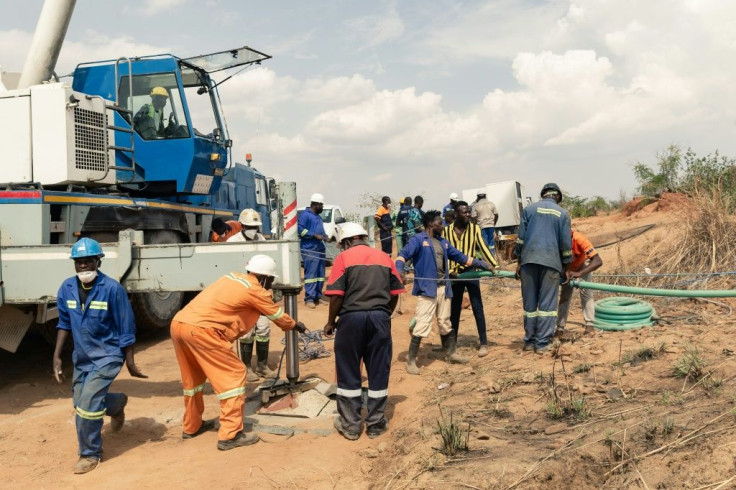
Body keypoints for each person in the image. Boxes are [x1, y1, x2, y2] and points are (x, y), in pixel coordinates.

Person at [170, 255, 307, 450]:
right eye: (271, 280)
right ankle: (230, 435)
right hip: (204, 331)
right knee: (233, 376)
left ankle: (192, 426)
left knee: (193, 380)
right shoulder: (255, 291)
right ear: (265, 278)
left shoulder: (231, 277)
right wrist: (294, 325)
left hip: (180, 324)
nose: (270, 285)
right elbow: (277, 316)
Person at [52, 238, 146, 474]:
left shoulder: (112, 289)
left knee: (86, 406)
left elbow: (126, 328)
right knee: (80, 402)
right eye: (79, 262)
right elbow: (64, 323)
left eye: (88, 261)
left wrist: (131, 362)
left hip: (108, 356)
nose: (83, 266)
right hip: (82, 357)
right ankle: (116, 403)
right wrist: (57, 356)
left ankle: (90, 453)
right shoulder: (66, 288)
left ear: (98, 261)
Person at [324, 223, 404, 440]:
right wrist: (384, 313)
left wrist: (331, 322)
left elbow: (337, 295)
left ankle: (351, 426)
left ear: (347, 241)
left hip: (351, 320)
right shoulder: (384, 257)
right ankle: (376, 424)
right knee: (378, 369)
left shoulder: (343, 258)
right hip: (380, 318)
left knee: (349, 370)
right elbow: (396, 291)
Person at [396, 211, 492, 375]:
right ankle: (411, 361)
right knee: (422, 324)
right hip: (427, 290)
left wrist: (481, 264)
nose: (443, 226)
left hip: (444, 288)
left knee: (445, 322)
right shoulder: (418, 240)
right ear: (431, 224)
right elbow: (402, 256)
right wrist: (399, 271)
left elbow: (460, 257)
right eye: (440, 223)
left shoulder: (443, 242)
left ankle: (451, 353)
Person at [514, 183, 573, 353]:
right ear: (558, 197)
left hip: (528, 262)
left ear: (543, 195)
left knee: (529, 305)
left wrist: (519, 262)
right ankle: (542, 344)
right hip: (551, 263)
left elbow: (520, 240)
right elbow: (565, 245)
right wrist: (566, 267)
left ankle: (529, 341)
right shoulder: (563, 214)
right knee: (547, 305)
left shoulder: (529, 210)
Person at [442, 201, 499, 358]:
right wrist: (449, 270)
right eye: (464, 212)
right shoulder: (446, 232)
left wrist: (493, 265)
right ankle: (451, 345)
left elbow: (483, 247)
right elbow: (444, 253)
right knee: (454, 310)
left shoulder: (474, 229)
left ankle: (483, 343)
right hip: (454, 275)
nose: (468, 215)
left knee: (477, 306)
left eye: (468, 212)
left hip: (470, 271)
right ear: (456, 215)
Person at [227, 209, 275, 380]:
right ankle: (246, 367)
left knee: (263, 328)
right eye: (249, 226)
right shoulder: (233, 241)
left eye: (255, 226)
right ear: (242, 226)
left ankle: (262, 366)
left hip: (260, 291)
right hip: (242, 293)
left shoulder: (261, 239)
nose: (253, 230)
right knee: (247, 331)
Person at [557, 230, 603, 335]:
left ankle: (590, 325)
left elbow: (598, 261)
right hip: (564, 269)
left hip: (581, 266)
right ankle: (560, 327)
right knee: (565, 297)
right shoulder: (555, 240)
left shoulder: (579, 239)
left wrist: (580, 273)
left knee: (586, 293)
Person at [298, 193, 327, 309]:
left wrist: (325, 236)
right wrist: (313, 235)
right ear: (316, 204)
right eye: (321, 205)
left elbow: (321, 231)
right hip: (310, 249)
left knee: (320, 274)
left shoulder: (318, 217)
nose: (322, 207)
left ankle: (317, 297)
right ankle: (309, 299)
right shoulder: (305, 215)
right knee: (311, 275)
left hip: (320, 248)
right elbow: (300, 230)